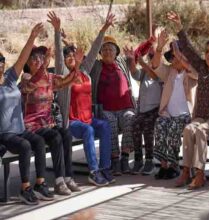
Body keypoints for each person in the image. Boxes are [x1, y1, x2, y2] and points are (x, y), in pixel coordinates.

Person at [168, 5, 209, 189]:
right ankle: (185, 171)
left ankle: (200, 174)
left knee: (200, 130)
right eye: (207, 51)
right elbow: (188, 49)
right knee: (189, 129)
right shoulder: (201, 67)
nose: (208, 54)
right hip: (201, 114)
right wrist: (180, 27)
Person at [50, 11, 116, 186]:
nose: (71, 58)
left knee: (104, 126)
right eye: (68, 56)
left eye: (73, 55)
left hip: (88, 119)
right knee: (88, 131)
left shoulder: (85, 71)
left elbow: (95, 49)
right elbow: (58, 53)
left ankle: (104, 167)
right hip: (71, 122)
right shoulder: (62, 73)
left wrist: (104, 28)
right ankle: (93, 172)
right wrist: (57, 31)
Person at [0, 24, 53, 205]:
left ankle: (40, 183)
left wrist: (31, 37)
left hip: (20, 128)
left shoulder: (10, 78)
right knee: (24, 146)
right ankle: (25, 188)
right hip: (4, 133)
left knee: (38, 141)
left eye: (1, 62)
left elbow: (23, 58)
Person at [19, 39, 80, 196]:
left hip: (48, 124)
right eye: (34, 58)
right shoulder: (25, 78)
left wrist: (77, 65)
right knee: (55, 136)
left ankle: (68, 177)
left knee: (65, 133)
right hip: (32, 127)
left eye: (40, 57)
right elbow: (34, 82)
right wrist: (45, 64)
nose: (38, 60)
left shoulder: (50, 77)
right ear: (26, 62)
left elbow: (70, 80)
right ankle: (59, 181)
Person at [89, 33, 138, 176]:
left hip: (125, 107)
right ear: (100, 52)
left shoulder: (122, 62)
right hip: (105, 109)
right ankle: (114, 160)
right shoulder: (96, 66)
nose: (108, 52)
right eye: (104, 49)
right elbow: (87, 57)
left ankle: (125, 158)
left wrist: (152, 40)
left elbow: (140, 53)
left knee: (130, 118)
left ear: (116, 52)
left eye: (111, 49)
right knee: (110, 122)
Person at [151, 30, 198, 180]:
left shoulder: (190, 72)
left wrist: (180, 55)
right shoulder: (169, 71)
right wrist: (159, 48)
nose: (173, 58)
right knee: (160, 124)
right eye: (172, 56)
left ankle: (174, 166)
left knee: (173, 128)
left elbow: (197, 74)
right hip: (167, 113)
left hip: (185, 115)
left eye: (176, 55)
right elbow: (156, 65)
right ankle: (164, 166)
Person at [125, 36, 162, 175]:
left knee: (148, 127)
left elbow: (155, 76)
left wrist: (143, 64)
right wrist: (131, 60)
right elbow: (135, 73)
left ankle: (150, 160)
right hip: (142, 109)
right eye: (150, 55)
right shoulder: (145, 71)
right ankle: (138, 160)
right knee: (135, 124)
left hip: (155, 110)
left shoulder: (160, 70)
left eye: (153, 55)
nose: (151, 58)